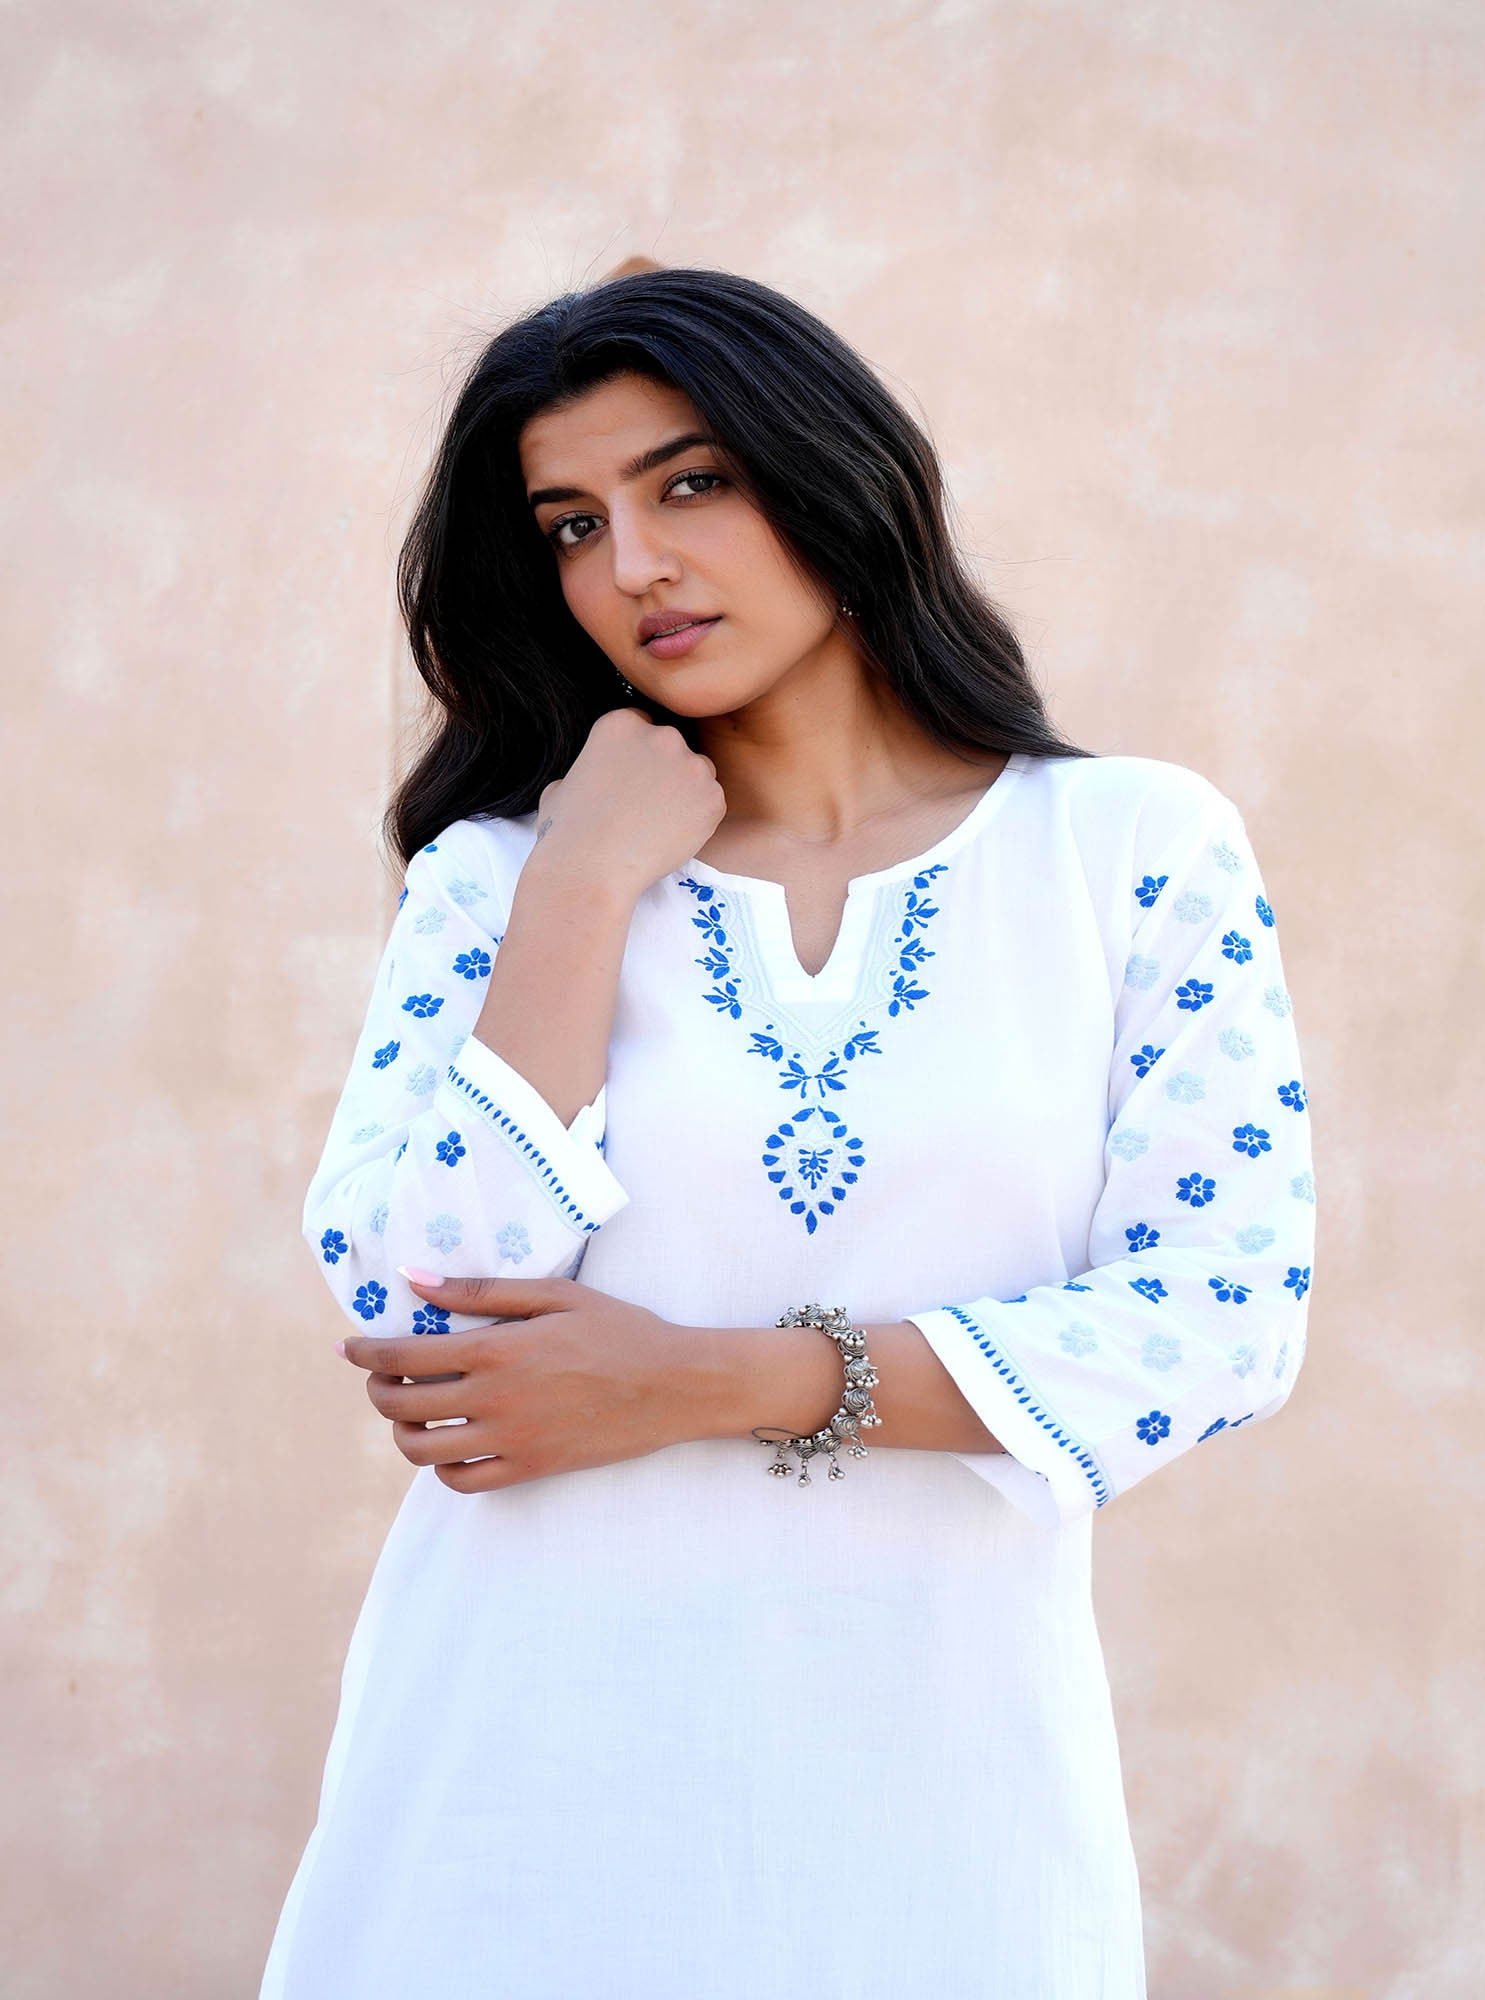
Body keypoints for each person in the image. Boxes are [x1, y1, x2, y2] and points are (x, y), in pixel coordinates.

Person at [259, 266, 1315, 2000]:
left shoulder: (1127, 853)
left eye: (691, 483)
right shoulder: (502, 882)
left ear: (837, 471)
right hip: (514, 1793)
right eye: (573, 525)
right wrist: (584, 882)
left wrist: (710, 1380)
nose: (634, 565)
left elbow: (1218, 1318)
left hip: (941, 1796)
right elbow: (425, 1313)